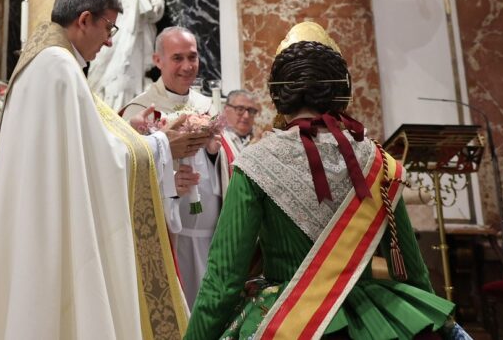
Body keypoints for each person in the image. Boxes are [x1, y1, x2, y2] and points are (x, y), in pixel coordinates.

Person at [186, 22, 460, 340]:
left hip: (287, 319)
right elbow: (410, 267)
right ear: (340, 92)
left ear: (278, 93)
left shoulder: (254, 163)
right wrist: (436, 323)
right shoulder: (378, 161)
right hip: (373, 321)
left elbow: (223, 279)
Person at [0, 0, 210, 340]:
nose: (110, 40)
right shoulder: (59, 66)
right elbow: (100, 160)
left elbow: (85, 141)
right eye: (109, 27)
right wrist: (162, 145)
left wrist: (128, 129)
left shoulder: (46, 61)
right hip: (50, 227)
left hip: (39, 218)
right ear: (85, 20)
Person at [123, 27, 252, 307]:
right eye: (177, 58)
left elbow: (229, 163)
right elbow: (128, 173)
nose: (187, 66)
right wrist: (168, 182)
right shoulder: (139, 111)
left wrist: (215, 155)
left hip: (212, 235)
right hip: (169, 236)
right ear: (158, 60)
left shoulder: (207, 107)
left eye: (192, 57)